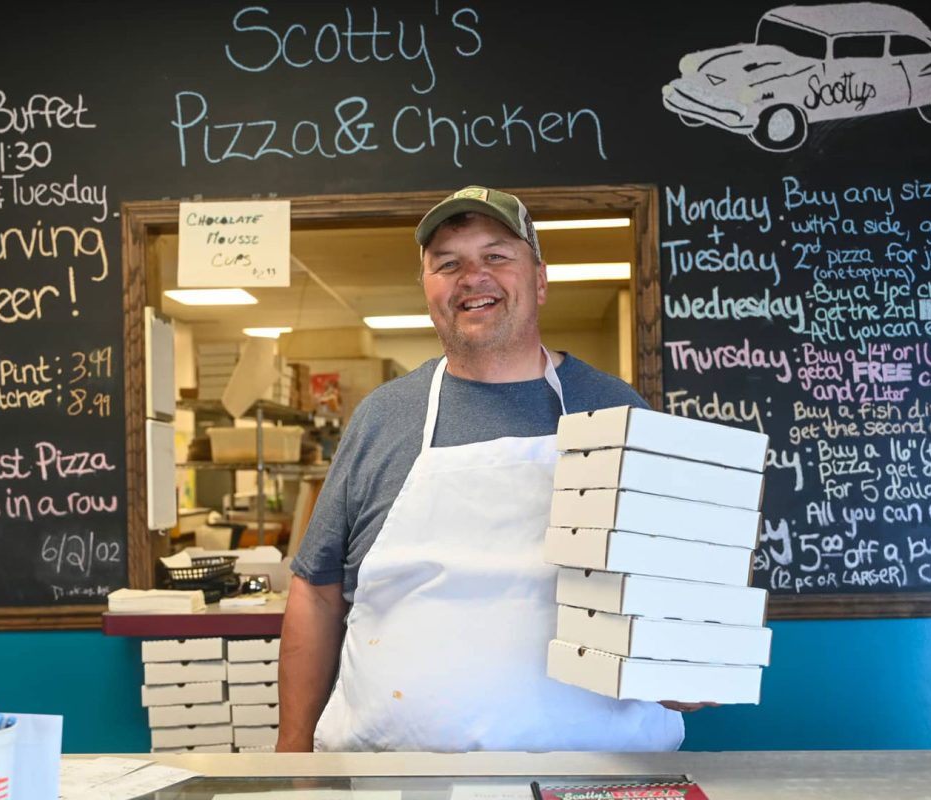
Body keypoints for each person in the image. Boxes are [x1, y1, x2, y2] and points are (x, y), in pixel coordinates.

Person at [277, 185, 692, 753]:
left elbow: (679, 581)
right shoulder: (383, 417)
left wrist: (689, 663)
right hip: (397, 777)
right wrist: (292, 752)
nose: (473, 276)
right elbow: (317, 591)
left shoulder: (619, 411)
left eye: (496, 255)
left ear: (540, 280)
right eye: (448, 264)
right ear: (428, 290)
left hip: (599, 773)